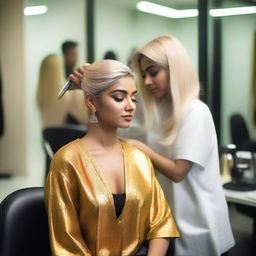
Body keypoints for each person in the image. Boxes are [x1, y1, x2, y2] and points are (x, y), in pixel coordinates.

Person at [69, 35, 235, 256]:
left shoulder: (196, 112)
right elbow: (112, 114)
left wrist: (139, 147)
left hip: (199, 224)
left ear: (175, 69)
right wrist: (88, 87)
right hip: (167, 223)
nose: (147, 81)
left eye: (153, 72)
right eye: (144, 74)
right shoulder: (156, 109)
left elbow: (178, 172)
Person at [45, 59, 180, 256]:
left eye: (134, 99)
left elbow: (160, 222)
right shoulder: (66, 161)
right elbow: (67, 243)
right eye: (119, 98)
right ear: (91, 102)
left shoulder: (139, 158)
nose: (131, 106)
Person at [36, 54, 88, 128]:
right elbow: (86, 119)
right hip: (71, 138)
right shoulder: (71, 92)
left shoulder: (40, 96)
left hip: (50, 138)